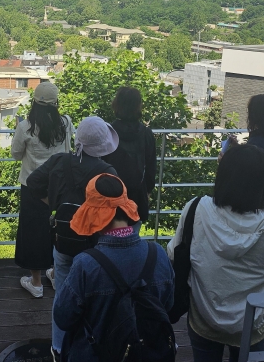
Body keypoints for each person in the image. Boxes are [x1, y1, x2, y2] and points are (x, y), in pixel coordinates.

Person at [167, 144, 264, 362]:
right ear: (263, 182)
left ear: (221, 174)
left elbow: (173, 254)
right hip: (252, 325)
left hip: (203, 317)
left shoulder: (196, 208)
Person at [53, 174, 175, 362]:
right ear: (126, 208)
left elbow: (63, 317)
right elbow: (167, 305)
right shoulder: (157, 254)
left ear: (93, 214)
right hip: (148, 354)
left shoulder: (85, 264)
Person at [27, 116, 119, 359]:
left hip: (63, 241)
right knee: (95, 299)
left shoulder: (59, 161)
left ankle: (58, 348)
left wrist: (53, 205)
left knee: (63, 296)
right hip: (94, 249)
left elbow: (33, 181)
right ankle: (90, 348)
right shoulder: (107, 172)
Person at [12, 82, 73, 298]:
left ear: (34, 102)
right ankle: (56, 274)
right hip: (59, 186)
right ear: (56, 103)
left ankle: (36, 282)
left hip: (32, 186)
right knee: (59, 228)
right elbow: (68, 150)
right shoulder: (66, 123)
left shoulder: (25, 127)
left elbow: (16, 154)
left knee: (33, 231)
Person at [103, 86, 157, 222]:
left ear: (117, 104)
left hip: (110, 194)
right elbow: (151, 167)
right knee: (133, 232)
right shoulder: (146, 134)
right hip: (136, 194)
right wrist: (147, 191)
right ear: (138, 106)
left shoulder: (108, 131)